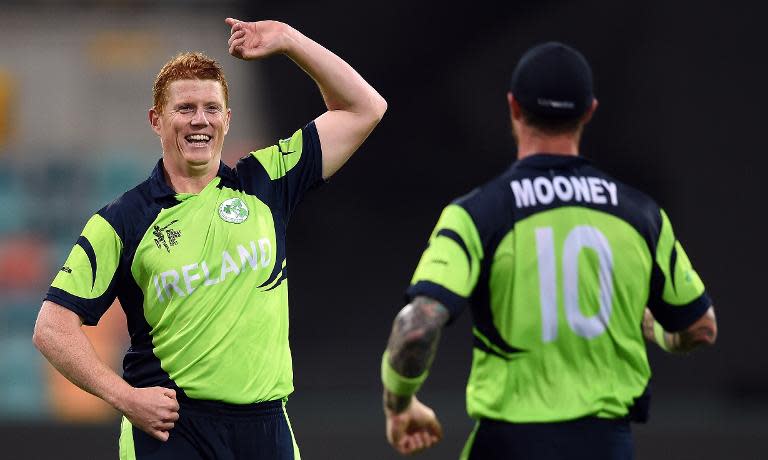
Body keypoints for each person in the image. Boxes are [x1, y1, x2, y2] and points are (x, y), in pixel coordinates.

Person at [33, 17, 386, 459]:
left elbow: (364, 107)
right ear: (156, 120)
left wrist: (290, 41)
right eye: (185, 108)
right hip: (174, 429)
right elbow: (51, 327)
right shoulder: (122, 220)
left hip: (266, 426)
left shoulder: (267, 181)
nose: (200, 120)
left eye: (211, 108)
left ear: (227, 119)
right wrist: (124, 398)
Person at [379, 42, 717, 459]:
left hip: (509, 444)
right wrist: (656, 332)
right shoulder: (641, 215)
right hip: (606, 445)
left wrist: (400, 403)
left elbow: (417, 326)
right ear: (589, 111)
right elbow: (701, 328)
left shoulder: (477, 214)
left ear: (514, 107)